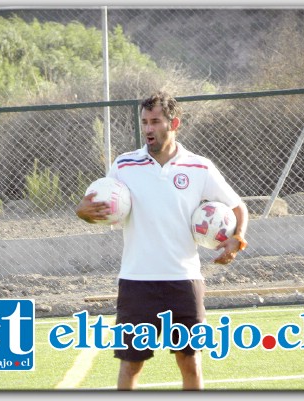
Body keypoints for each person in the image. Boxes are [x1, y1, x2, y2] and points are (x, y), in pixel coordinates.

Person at [76, 91, 249, 390]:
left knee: (190, 363)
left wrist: (238, 237)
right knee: (130, 366)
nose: (148, 129)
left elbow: (238, 207)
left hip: (184, 280)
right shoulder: (124, 165)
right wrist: (83, 211)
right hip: (136, 281)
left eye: (155, 121)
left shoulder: (199, 167)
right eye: (144, 122)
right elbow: (100, 206)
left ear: (174, 123)